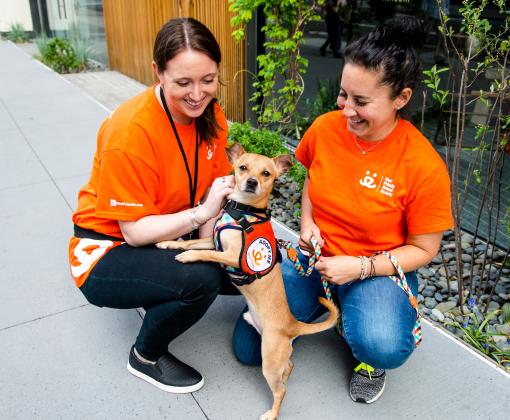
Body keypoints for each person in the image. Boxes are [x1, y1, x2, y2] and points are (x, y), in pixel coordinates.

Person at [232, 17, 453, 404]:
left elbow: (424, 249)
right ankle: (331, 307)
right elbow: (313, 185)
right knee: (248, 349)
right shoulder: (324, 129)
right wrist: (307, 224)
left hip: (376, 268)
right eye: (343, 95)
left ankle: (362, 340)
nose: (347, 110)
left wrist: (361, 268)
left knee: (381, 344)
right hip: (315, 259)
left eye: (361, 102)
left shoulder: (423, 165)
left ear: (401, 98)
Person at [68, 18, 234, 394]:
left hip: (171, 228)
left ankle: (164, 286)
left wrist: (212, 244)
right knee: (202, 279)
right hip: (106, 248)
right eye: (183, 83)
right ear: (157, 71)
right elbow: (134, 231)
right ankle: (145, 356)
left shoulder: (211, 115)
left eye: (208, 80)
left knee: (251, 260)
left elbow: (214, 186)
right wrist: (202, 218)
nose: (197, 94)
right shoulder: (130, 132)